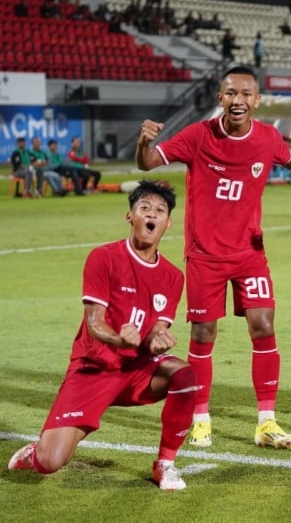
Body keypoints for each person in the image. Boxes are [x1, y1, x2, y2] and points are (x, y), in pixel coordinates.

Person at [136, 65, 291, 450]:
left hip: (249, 254)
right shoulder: (198, 136)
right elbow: (149, 163)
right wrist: (143, 142)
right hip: (204, 255)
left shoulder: (266, 137)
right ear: (220, 98)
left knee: (264, 325)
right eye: (230, 93)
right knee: (204, 334)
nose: (238, 101)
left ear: (257, 100)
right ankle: (200, 418)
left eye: (245, 94)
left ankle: (266, 422)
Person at [7, 181, 196, 491]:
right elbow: (93, 322)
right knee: (51, 462)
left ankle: (165, 465)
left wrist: (156, 340)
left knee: (186, 375)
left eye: (159, 211)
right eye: (144, 208)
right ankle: (36, 453)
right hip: (94, 369)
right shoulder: (104, 257)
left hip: (136, 370)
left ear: (168, 222)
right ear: (130, 216)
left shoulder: (173, 276)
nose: (151, 215)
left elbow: (156, 331)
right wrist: (118, 340)